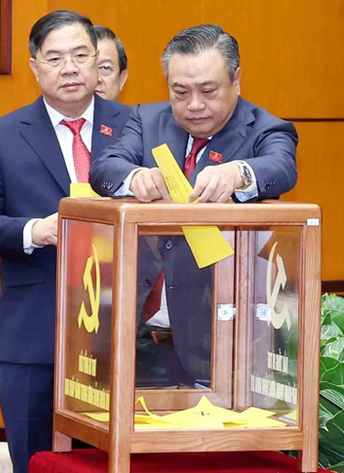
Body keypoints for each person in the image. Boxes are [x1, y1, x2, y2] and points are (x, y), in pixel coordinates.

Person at [0, 10, 131, 473]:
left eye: (79, 55)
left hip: (131, 332)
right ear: (35, 67)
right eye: (54, 58)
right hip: (36, 334)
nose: (69, 68)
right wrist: (37, 230)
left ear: (99, 62)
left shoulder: (139, 126)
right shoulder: (2, 136)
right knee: (36, 461)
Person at [90, 24, 298, 386]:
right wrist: (133, 177)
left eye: (208, 90)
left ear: (236, 80)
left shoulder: (265, 129)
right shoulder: (148, 119)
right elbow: (105, 169)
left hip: (217, 336)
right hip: (135, 328)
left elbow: (281, 168)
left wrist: (238, 173)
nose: (194, 105)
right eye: (180, 92)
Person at [93, 25, 128, 102]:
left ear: (122, 79)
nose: (97, 79)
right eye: (89, 68)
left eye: (105, 67)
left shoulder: (134, 114)